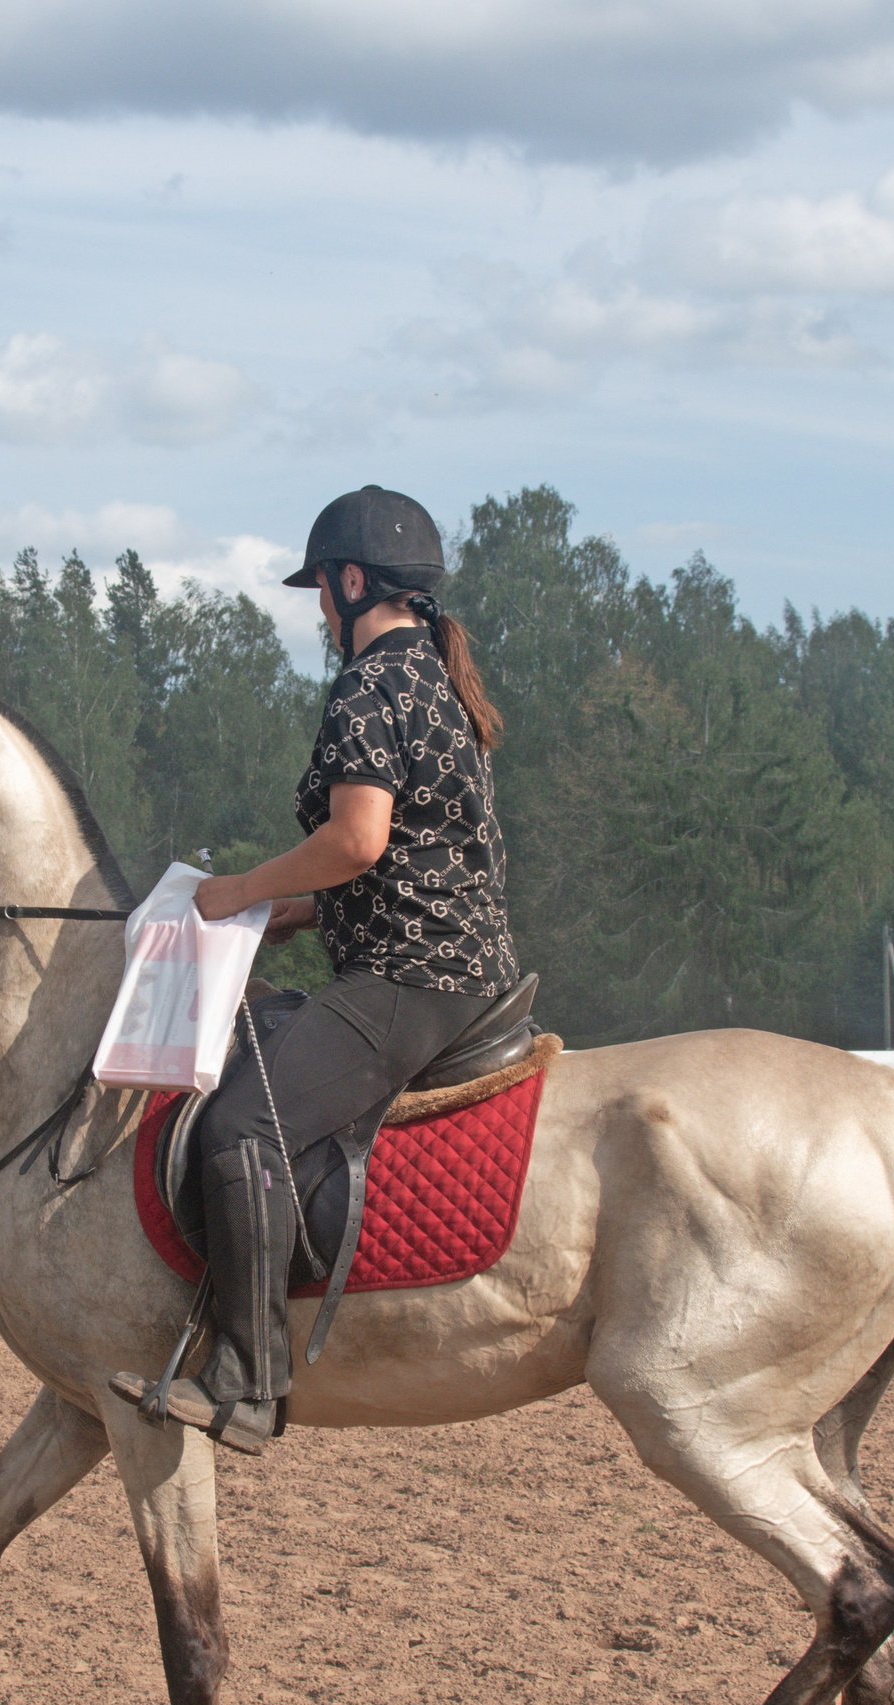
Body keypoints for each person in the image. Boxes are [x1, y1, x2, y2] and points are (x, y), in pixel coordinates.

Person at [111, 486, 519, 1454]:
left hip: (411, 981)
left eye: (319, 594)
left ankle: (250, 1383)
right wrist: (290, 910)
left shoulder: (369, 687)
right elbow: (416, 853)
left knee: (241, 1125)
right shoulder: (435, 682)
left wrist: (237, 887)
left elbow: (360, 838)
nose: (318, 613)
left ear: (347, 582)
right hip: (456, 966)